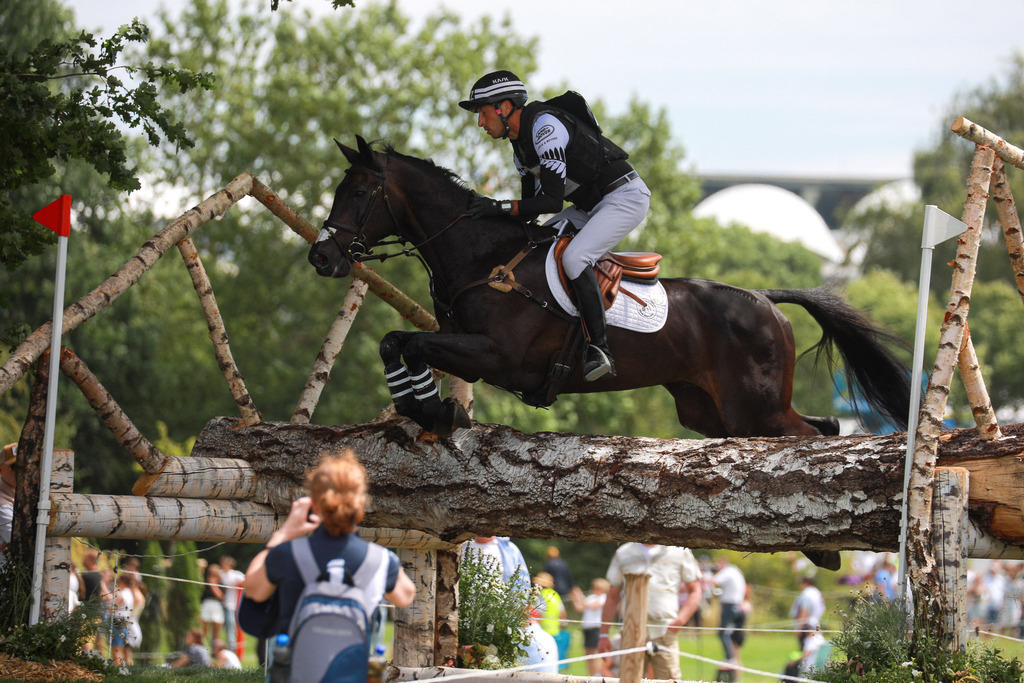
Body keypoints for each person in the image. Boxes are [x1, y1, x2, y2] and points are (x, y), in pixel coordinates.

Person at [459, 70, 651, 382]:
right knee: (536, 243)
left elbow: (550, 203)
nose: (480, 123)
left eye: (482, 113)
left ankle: (599, 349)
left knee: (575, 258)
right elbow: (528, 215)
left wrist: (497, 206)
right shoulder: (519, 148)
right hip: (589, 206)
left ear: (504, 107)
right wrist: (482, 216)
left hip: (624, 197)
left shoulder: (545, 128)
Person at [243, 449, 415, 644]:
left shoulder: (287, 554)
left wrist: (284, 533)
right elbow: (405, 596)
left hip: (296, 672)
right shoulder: (381, 560)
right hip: (354, 673)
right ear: (361, 503)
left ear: (315, 504)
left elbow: (253, 589)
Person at [598, 543, 703, 680]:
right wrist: (603, 635)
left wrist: (680, 620)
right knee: (628, 679)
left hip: (665, 630)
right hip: (631, 631)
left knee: (669, 680)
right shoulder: (624, 552)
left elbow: (695, 590)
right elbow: (612, 596)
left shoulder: (679, 550)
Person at [711, 556, 747, 679]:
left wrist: (702, 575)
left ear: (723, 563)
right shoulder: (736, 571)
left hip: (729, 606)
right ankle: (735, 673)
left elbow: (714, 581)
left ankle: (730, 658)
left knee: (722, 633)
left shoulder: (728, 571)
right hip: (739, 607)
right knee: (733, 641)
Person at [574, 578, 611, 676]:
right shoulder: (591, 597)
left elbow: (593, 606)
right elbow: (580, 608)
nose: (595, 589)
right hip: (587, 628)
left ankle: (597, 675)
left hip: (596, 628)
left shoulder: (604, 597)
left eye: (598, 588)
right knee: (588, 655)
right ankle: (591, 675)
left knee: (594, 655)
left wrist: (579, 595)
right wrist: (575, 597)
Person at [533, 572, 568, 669]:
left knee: (541, 662)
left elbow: (539, 614)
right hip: (555, 632)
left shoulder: (541, 595)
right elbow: (563, 614)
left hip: (542, 632)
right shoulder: (555, 595)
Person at [218, 555, 245, 655]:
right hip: (219, 605)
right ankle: (217, 650)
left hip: (230, 606)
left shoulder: (235, 574)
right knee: (218, 630)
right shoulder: (219, 574)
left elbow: (245, 580)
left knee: (230, 629)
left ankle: (231, 651)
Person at [790, 574, 826, 647]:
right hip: (815, 623)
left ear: (805, 583)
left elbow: (805, 610)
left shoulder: (806, 594)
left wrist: (799, 627)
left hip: (806, 625)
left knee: (805, 648)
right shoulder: (816, 592)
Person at [199, 560, 224, 648]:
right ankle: (203, 648)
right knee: (204, 631)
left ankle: (215, 650)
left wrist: (213, 584)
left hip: (216, 605)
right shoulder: (205, 582)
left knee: (216, 633)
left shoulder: (221, 583)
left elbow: (220, 596)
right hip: (206, 604)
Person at [0, 444, 16, 570]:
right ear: (1, 470)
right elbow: (17, 542)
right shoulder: (2, 505)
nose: (22, 470)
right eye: (14, 467)